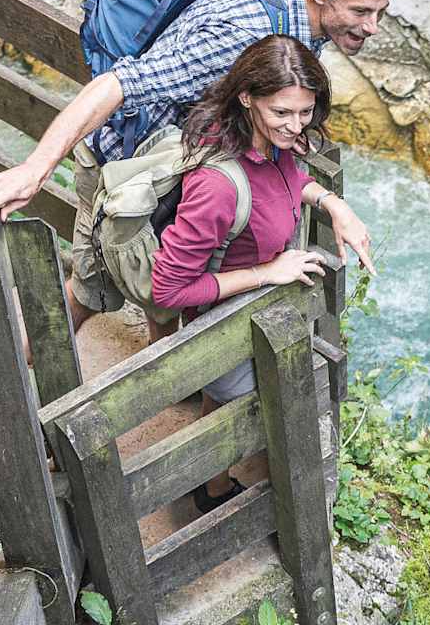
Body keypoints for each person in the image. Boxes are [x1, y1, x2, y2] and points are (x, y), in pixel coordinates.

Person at [0, 0, 402, 342]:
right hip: (128, 164)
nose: (372, 26)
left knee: (166, 291)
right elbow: (117, 85)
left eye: (379, 11)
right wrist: (34, 170)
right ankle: (7, 378)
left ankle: (168, 365)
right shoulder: (241, 34)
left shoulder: (304, 5)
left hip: (182, 160)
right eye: (361, 12)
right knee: (92, 292)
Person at [151, 34, 372, 512]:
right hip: (223, 324)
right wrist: (268, 272)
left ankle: (210, 485)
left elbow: (288, 180)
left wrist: (334, 204)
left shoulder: (270, 142)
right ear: (247, 98)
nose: (296, 127)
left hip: (256, 315)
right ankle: (218, 491)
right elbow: (168, 290)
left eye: (305, 112)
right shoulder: (217, 186)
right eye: (282, 113)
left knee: (225, 408)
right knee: (248, 408)